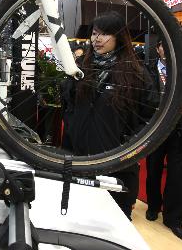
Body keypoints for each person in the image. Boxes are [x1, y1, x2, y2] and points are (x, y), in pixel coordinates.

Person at [61, 11, 158, 220]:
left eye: (104, 34)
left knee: (114, 224)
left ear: (119, 37)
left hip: (117, 165)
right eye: (95, 33)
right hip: (79, 161)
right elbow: (67, 104)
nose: (97, 39)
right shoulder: (81, 69)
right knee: (78, 221)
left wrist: (129, 146)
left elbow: (149, 116)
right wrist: (72, 129)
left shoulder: (137, 74)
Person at [145, 40, 182, 243]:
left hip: (179, 130)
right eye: (162, 45)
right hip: (155, 130)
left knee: (177, 177)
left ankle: (175, 220)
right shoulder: (148, 69)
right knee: (153, 170)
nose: (166, 49)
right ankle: (153, 206)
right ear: (158, 48)